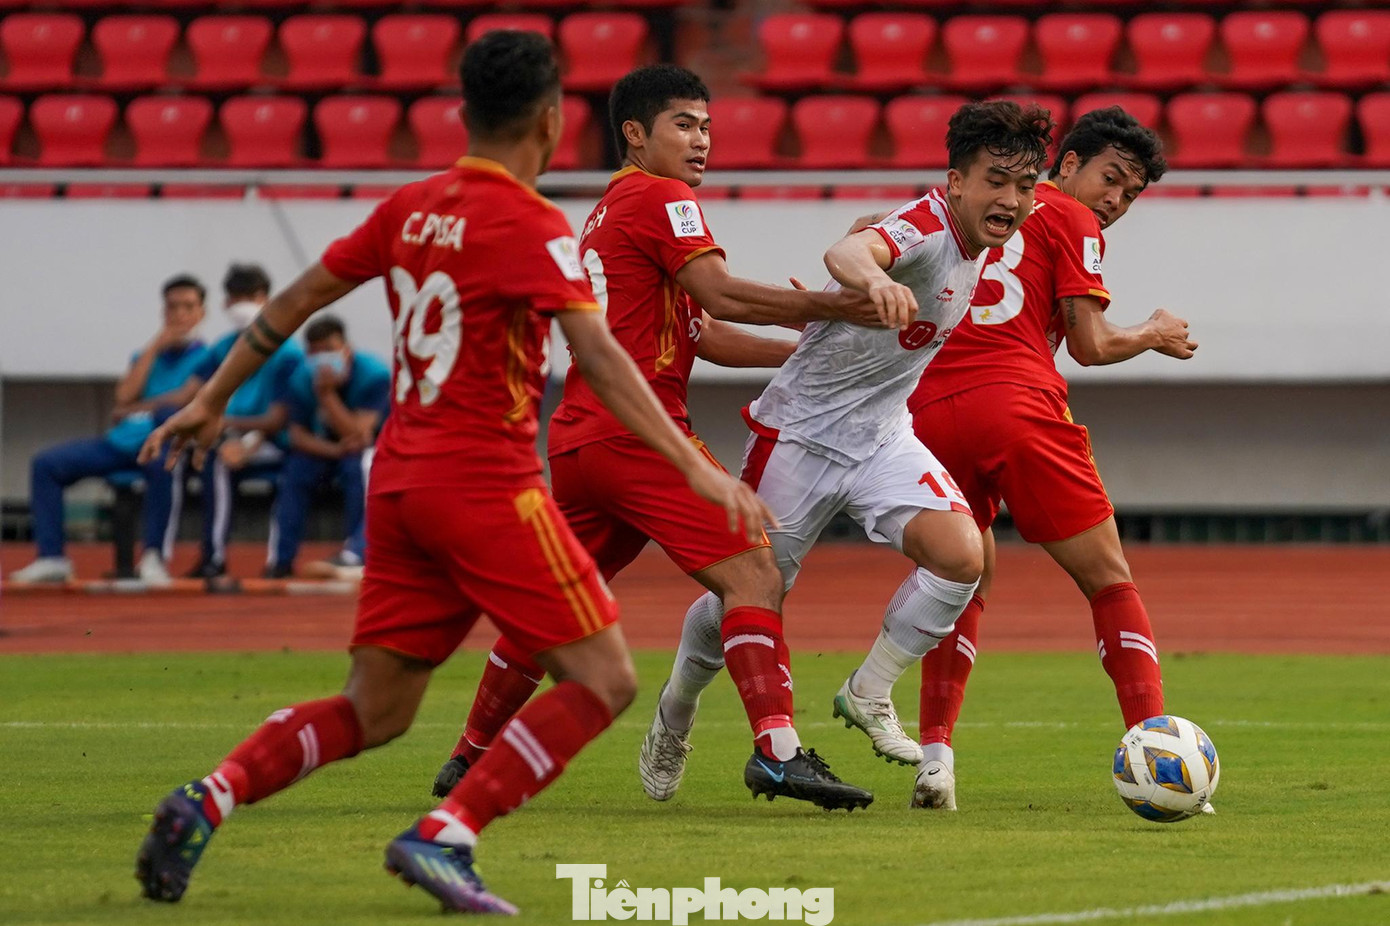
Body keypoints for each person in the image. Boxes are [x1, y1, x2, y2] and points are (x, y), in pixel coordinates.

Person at [133, 31, 772, 916]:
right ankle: (446, 835)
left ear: (465, 114)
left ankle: (209, 796)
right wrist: (692, 469)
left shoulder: (407, 208)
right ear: (550, 122)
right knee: (605, 679)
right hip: (483, 484)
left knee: (377, 709)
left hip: (397, 485)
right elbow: (602, 359)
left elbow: (295, 302)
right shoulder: (531, 225)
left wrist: (211, 399)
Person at [432, 64, 891, 812]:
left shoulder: (611, 209)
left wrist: (802, 351)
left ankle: (469, 755)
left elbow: (703, 331)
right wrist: (838, 307)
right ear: (635, 134)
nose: (702, 140)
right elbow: (720, 292)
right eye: (684, 124)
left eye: (707, 126)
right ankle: (778, 753)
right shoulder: (662, 197)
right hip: (635, 432)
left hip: (581, 438)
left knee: (557, 604)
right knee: (755, 574)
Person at [650, 101, 1055, 794]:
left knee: (963, 556)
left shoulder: (979, 239)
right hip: (800, 437)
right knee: (745, 597)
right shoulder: (929, 225)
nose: (1010, 200)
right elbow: (848, 253)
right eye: (995, 181)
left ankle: (868, 691)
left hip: (883, 434)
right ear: (956, 182)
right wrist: (871, 278)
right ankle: (675, 709)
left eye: (1023, 187)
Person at [906, 107, 1198, 810]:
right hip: (1019, 406)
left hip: (925, 412)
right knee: (1110, 581)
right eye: (1111, 178)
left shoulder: (959, 204)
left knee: (960, 581)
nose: (1115, 200)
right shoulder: (1070, 217)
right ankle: (1159, 754)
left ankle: (935, 760)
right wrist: (1153, 331)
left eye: (1130, 193)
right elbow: (1090, 345)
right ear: (1066, 165)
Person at [9, 275, 209, 585]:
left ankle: (154, 557)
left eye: (188, 306)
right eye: (173, 307)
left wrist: (136, 408)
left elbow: (185, 400)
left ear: (201, 312)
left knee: (164, 465)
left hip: (164, 446)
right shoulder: (145, 356)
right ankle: (52, 557)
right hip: (120, 444)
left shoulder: (209, 356)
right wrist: (155, 346)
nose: (180, 314)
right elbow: (124, 396)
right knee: (46, 464)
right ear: (163, 311)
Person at [182, 264, 303, 579]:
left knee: (295, 473)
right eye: (236, 297)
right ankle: (213, 558)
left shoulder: (288, 352)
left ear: (266, 299)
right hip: (231, 438)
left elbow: (279, 418)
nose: (241, 304)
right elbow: (193, 393)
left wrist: (244, 441)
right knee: (213, 461)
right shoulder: (223, 347)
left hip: (276, 442)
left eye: (249, 296)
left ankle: (280, 561)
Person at [264, 314, 390, 580]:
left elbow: (359, 433)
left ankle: (356, 553)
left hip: (369, 451)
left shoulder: (374, 375)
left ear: (347, 349)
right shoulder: (300, 378)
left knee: (361, 468)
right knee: (295, 471)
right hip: (326, 449)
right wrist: (334, 451)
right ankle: (280, 560)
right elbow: (297, 435)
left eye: (330, 350)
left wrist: (327, 395)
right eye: (316, 352)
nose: (323, 359)